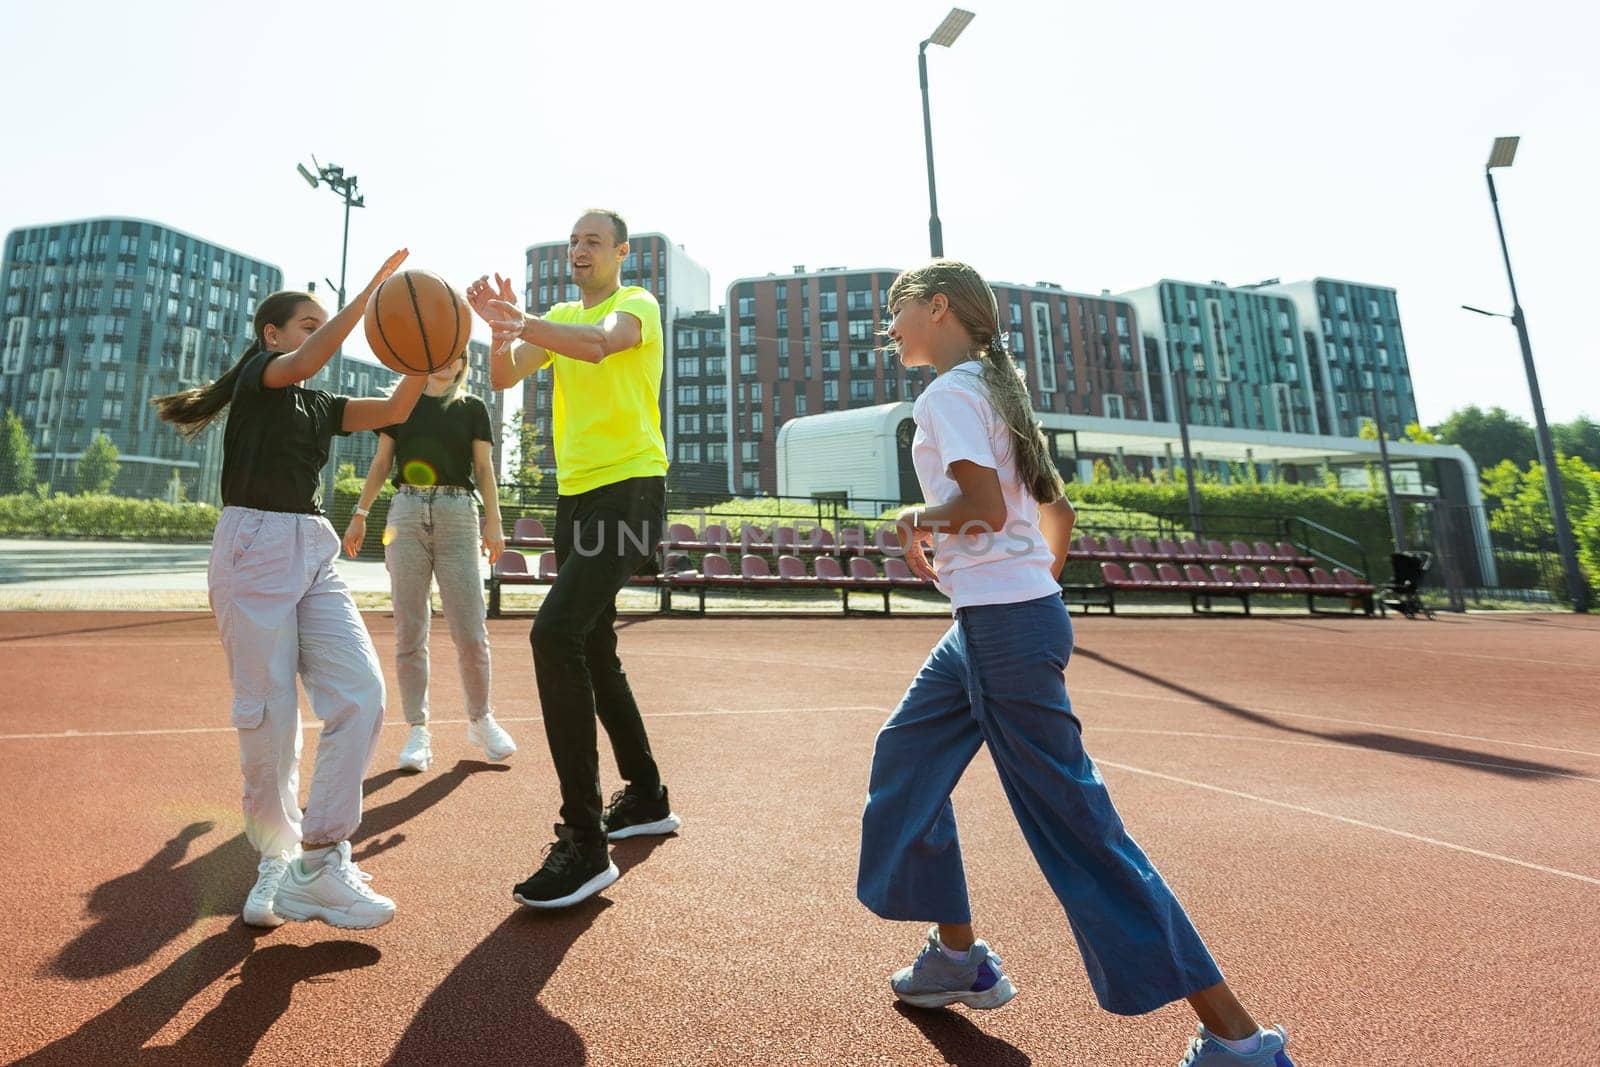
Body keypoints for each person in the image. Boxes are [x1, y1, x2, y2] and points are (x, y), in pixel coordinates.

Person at [856, 260, 1294, 1066]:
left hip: (1001, 628)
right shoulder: (994, 387)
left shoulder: (950, 394)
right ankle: (959, 957)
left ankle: (1238, 1037)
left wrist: (910, 519)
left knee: (1082, 830)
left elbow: (985, 508)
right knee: (906, 757)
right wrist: (1034, 583)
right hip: (998, 621)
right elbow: (1056, 507)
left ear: (939, 308)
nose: (889, 324)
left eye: (897, 308)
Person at [152, 249, 424, 931]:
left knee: (361, 693)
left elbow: (394, 405)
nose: (315, 334)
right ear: (271, 335)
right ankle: (277, 855)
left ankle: (320, 857)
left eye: (319, 325)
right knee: (269, 721)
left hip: (312, 549)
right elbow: (305, 361)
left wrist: (425, 352)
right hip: (253, 548)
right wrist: (366, 298)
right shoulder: (261, 378)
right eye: (307, 323)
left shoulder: (320, 402)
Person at [466, 208, 680, 910]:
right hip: (577, 497)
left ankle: (585, 842)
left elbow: (597, 346)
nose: (580, 250)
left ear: (620, 252)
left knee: (553, 632)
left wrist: (523, 320)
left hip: (631, 492)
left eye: (593, 241)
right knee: (591, 646)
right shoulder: (554, 314)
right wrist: (502, 327)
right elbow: (501, 375)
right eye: (574, 242)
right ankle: (646, 795)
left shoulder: (634, 303)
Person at [343, 348, 516, 772]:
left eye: (453, 355)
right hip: (404, 513)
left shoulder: (472, 408)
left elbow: (484, 468)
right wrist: (360, 514)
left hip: (458, 515)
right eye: (437, 352)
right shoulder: (399, 404)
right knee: (409, 631)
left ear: (461, 364)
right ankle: (418, 730)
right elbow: (382, 462)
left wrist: (494, 522)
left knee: (471, 631)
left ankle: (481, 719)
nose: (444, 360)